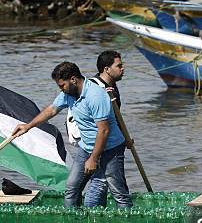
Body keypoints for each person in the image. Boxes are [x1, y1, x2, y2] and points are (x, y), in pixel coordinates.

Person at [12, 61, 132, 208]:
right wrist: (28, 126)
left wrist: (93, 159)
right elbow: (51, 110)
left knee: (119, 193)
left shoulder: (95, 96)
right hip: (86, 147)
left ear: (74, 80)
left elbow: (104, 131)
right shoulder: (69, 94)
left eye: (62, 85)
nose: (61, 89)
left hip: (110, 148)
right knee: (71, 188)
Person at [83, 50, 126, 207]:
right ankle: (90, 213)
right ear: (106, 69)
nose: (123, 68)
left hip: (113, 140)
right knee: (101, 182)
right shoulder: (95, 88)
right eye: (119, 65)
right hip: (101, 142)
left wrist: (125, 137)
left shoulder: (112, 86)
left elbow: (115, 118)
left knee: (101, 182)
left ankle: (94, 212)